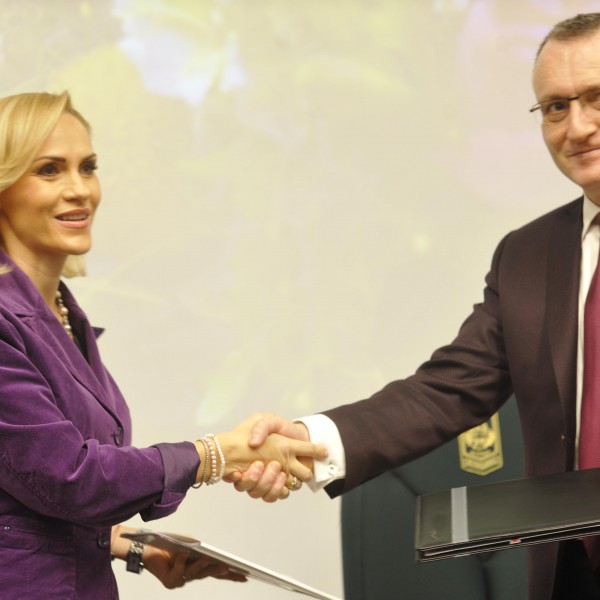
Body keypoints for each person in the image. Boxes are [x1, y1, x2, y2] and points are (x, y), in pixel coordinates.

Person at [231, 12, 600, 600]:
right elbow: (446, 390)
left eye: (596, 98)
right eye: (556, 107)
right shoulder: (528, 256)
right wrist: (305, 439)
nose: (576, 126)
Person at [0, 90, 326, 600]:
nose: (79, 189)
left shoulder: (64, 315)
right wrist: (216, 454)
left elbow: (24, 492)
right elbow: (69, 478)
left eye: (88, 167)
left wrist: (134, 546)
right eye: (49, 170)